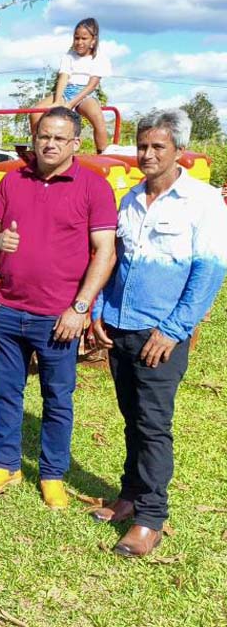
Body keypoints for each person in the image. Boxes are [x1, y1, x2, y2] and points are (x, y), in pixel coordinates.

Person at [89, 109, 227, 557]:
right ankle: (129, 496)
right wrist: (98, 311)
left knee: (153, 425)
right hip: (120, 328)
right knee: (132, 418)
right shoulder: (129, 199)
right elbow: (115, 262)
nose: (147, 154)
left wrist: (173, 330)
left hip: (160, 334)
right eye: (142, 145)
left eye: (157, 147)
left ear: (179, 151)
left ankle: (151, 517)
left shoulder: (203, 202)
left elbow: (208, 274)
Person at [0, 107, 117, 508]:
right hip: (8, 310)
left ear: (76, 143)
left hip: (59, 318)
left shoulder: (93, 187)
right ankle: (6, 464)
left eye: (58, 138)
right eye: (43, 137)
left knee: (57, 398)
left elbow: (105, 251)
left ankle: (52, 473)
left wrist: (81, 307)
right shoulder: (12, 181)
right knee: (5, 391)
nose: (49, 144)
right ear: (34, 140)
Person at [30, 18, 111, 153]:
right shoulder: (69, 56)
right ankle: (37, 149)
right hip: (66, 91)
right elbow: (63, 77)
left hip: (85, 93)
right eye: (76, 38)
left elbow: (91, 85)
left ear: (93, 40)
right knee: (36, 112)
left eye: (84, 38)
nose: (79, 42)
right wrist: (57, 101)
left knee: (98, 118)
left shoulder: (100, 59)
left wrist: (71, 104)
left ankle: (102, 152)